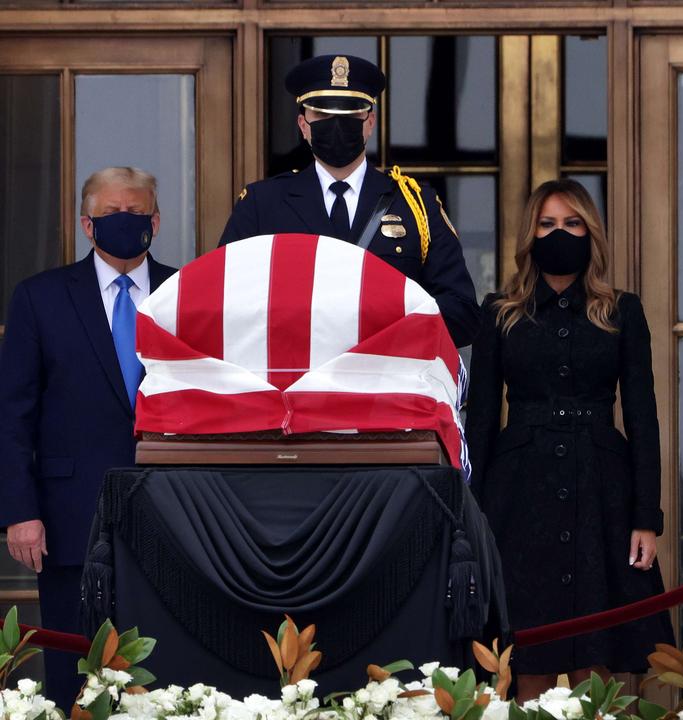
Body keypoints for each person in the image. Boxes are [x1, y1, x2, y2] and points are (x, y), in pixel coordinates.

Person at [465, 179, 671, 700]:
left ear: (591, 233)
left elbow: (643, 418)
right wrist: (471, 516)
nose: (561, 233)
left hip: (601, 491)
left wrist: (646, 517)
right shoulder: (500, 312)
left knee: (597, 656)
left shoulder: (621, 310)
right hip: (518, 494)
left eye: (573, 223)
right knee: (526, 655)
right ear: (530, 235)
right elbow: (482, 419)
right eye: (548, 224)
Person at [0, 167, 178, 710]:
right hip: (68, 518)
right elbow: (13, 414)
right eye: (111, 214)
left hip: (173, 516)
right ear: (86, 224)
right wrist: (19, 511)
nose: (127, 223)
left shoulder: (186, 292)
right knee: (77, 675)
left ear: (156, 220)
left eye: (137, 212)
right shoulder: (41, 298)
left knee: (166, 678)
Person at [217, 53, 481, 348]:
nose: (338, 125)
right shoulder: (262, 204)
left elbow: (463, 314)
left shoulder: (416, 205)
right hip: (295, 385)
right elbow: (221, 301)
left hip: (386, 383)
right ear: (303, 125)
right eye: (323, 115)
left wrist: (389, 322)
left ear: (370, 122)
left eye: (350, 115)